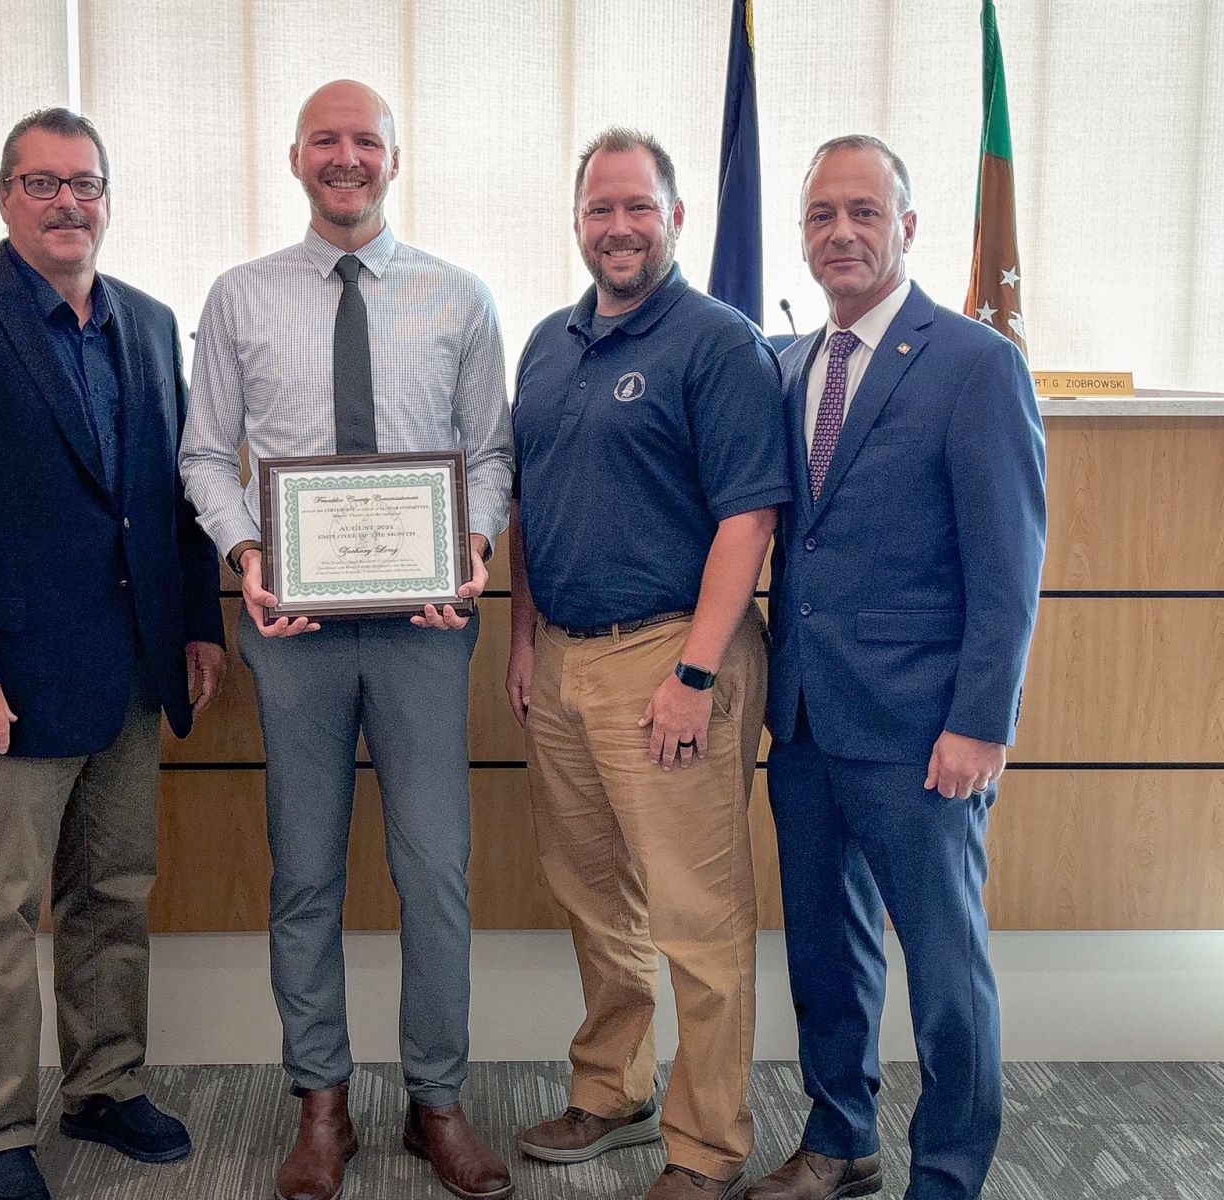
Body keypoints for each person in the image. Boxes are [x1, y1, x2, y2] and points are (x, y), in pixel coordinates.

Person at [0, 108, 226, 1200]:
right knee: (2, 911)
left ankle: (105, 1084)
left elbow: (172, 495)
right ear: (4, 196)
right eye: (42, 183)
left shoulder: (154, 324)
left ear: (107, 198)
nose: (68, 202)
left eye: (86, 183)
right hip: (6, 683)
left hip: (130, 669)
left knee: (114, 888)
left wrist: (198, 622)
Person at [178, 79, 514, 1200]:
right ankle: (320, 1105)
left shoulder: (459, 299)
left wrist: (469, 546)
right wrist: (245, 558)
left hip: (425, 634)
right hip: (293, 632)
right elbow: (203, 456)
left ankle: (435, 1103)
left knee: (436, 872)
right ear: (294, 158)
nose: (345, 157)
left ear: (393, 159)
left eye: (363, 140)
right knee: (305, 874)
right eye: (326, 139)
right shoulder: (239, 298)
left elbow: (490, 456)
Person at [744, 136, 1046, 1200]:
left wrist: (981, 720)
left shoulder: (974, 364)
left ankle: (950, 1172)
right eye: (821, 213)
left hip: (926, 731)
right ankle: (840, 1141)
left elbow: (1007, 566)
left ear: (907, 227)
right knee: (826, 959)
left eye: (863, 212)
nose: (840, 232)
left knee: (945, 970)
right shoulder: (786, 367)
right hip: (809, 722)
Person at [505, 128, 789, 1200]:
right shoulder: (547, 341)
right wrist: (525, 640)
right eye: (598, 209)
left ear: (675, 217)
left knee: (696, 917)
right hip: (564, 665)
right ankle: (612, 1088)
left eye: (638, 207)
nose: (617, 227)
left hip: (672, 660)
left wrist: (696, 675)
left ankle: (707, 1146)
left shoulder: (715, 344)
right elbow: (530, 506)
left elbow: (749, 516)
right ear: (575, 220)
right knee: (593, 898)